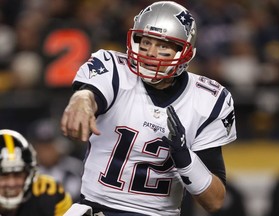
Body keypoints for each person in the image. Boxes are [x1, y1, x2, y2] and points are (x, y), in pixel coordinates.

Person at [61, 1, 237, 216]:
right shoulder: (113, 69)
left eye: (163, 45)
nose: (151, 52)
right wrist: (82, 98)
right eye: (145, 42)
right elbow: (92, 92)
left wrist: (184, 156)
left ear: (185, 50)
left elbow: (215, 201)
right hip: (98, 209)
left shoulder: (208, 99)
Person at [0, 129, 72, 216]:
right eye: (3, 175)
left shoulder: (49, 193)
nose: (11, 183)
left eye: (18, 174)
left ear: (29, 174)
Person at [27, 118, 83, 202]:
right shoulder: (27, 171)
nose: (46, 151)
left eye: (49, 145)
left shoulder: (74, 168)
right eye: (42, 146)